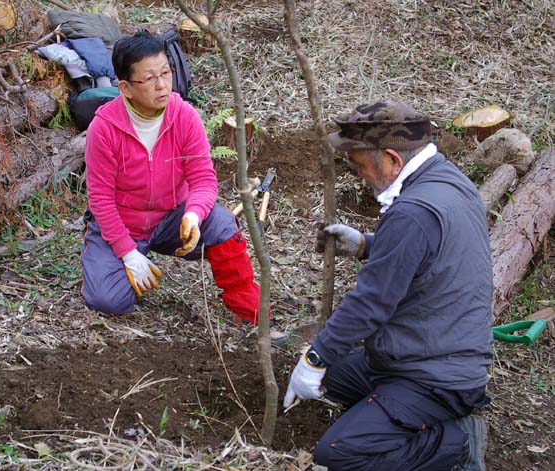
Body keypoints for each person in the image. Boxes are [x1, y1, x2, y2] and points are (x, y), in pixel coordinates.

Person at [284, 100, 493, 471]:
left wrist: (316, 357)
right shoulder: (448, 180)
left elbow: (371, 303)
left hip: (435, 376)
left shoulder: (413, 212)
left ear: (393, 159)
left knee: (338, 454)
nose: (360, 175)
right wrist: (367, 244)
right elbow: (429, 255)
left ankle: (456, 443)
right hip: (419, 352)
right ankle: (398, 416)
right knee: (327, 382)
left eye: (362, 165)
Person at [81, 31, 283, 342]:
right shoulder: (104, 128)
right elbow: (101, 199)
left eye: (166, 73)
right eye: (149, 79)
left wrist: (193, 214)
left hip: (171, 217)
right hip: (125, 224)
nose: (162, 85)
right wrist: (128, 253)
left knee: (222, 222)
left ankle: (249, 311)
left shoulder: (184, 116)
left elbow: (203, 178)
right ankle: (116, 258)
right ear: (125, 88)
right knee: (108, 300)